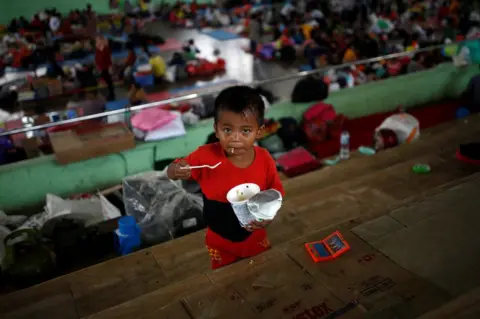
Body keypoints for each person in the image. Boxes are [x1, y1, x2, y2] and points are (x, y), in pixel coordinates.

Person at [166, 86, 284, 270]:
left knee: (261, 272)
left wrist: (269, 217)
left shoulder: (265, 159)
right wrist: (175, 169)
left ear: (259, 132)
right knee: (224, 282)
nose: (235, 138)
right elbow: (173, 170)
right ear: (216, 129)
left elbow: (276, 193)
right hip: (219, 242)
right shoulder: (204, 157)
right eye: (227, 130)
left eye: (245, 131)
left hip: (255, 237)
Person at [95, 35, 115, 100]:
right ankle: (105, 95)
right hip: (100, 68)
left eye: (98, 40)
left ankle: (111, 95)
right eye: (96, 41)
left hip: (105, 68)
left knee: (108, 82)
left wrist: (110, 67)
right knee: (103, 82)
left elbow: (109, 59)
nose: (97, 42)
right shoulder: (98, 49)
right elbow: (97, 59)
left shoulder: (106, 49)